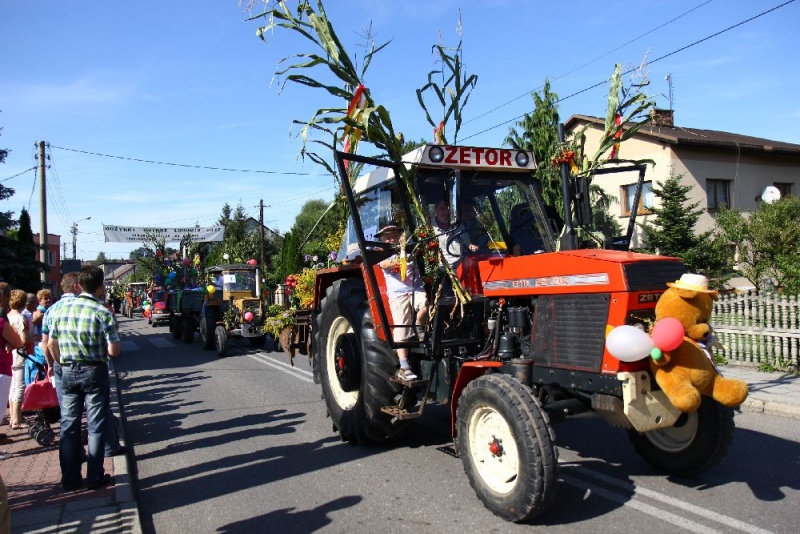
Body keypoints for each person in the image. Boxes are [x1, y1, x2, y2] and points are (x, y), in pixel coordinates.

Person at [48, 266, 121, 491]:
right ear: (100, 287)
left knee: (69, 425)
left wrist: (61, 363)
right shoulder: (102, 311)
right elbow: (114, 351)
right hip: (94, 371)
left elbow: (50, 344)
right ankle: (94, 476)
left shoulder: (60, 309)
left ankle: (69, 479)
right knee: (95, 424)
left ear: (79, 284)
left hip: (68, 371)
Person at [376, 224, 428, 381]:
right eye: (388, 236)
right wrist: (403, 257)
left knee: (426, 306)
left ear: (401, 236)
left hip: (415, 289)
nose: (392, 238)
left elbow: (421, 253)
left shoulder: (410, 249)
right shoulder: (383, 254)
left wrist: (414, 252)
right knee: (401, 328)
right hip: (398, 295)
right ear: (383, 240)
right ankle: (404, 367)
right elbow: (385, 264)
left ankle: (419, 327)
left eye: (395, 235)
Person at [6, 289, 32, 430]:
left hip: (10, 356)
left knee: (12, 387)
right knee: (19, 387)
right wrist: (33, 338)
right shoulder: (20, 318)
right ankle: (16, 419)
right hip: (19, 355)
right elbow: (23, 339)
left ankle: (13, 417)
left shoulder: (8, 316)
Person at [432, 198, 476, 269]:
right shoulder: (428, 229)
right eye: (443, 208)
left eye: (449, 209)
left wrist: (471, 247)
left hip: (461, 269)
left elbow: (468, 246)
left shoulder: (460, 227)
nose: (447, 212)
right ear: (436, 210)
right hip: (438, 273)